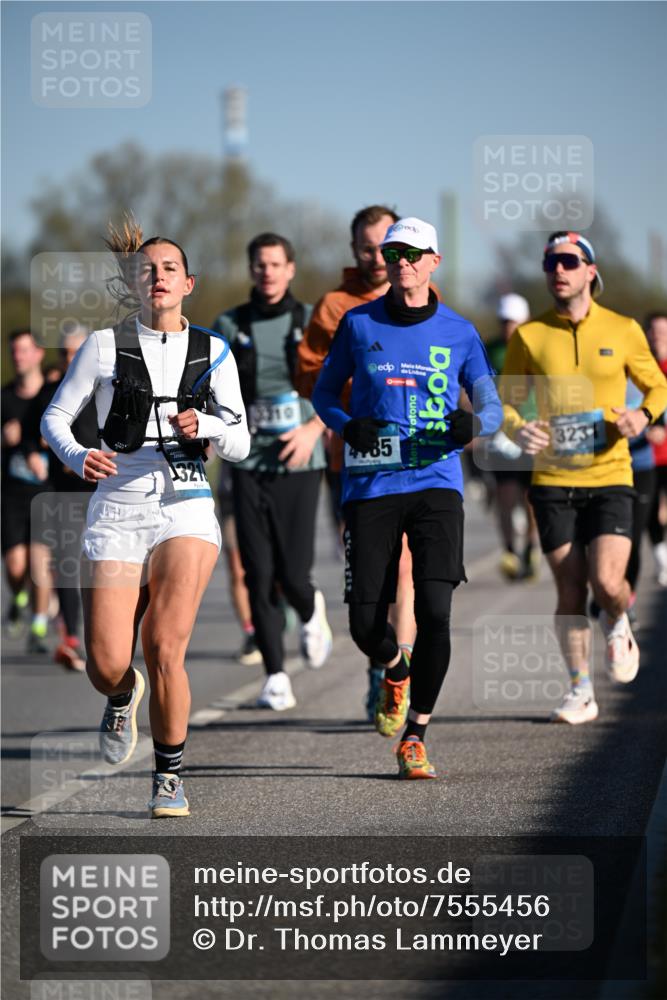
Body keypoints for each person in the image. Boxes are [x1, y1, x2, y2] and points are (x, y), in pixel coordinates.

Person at [41, 221, 250, 817]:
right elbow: (56, 417)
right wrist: (78, 454)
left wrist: (205, 425)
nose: (157, 277)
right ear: (133, 282)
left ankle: (168, 777)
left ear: (188, 282)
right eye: (146, 269)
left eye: (168, 269)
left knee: (164, 643)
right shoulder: (104, 347)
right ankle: (123, 694)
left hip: (186, 502)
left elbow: (239, 440)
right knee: (106, 661)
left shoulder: (214, 351)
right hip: (118, 501)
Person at [313, 217, 502, 779]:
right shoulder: (356, 323)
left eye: (415, 253)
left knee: (436, 611)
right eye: (394, 252)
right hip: (371, 483)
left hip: (436, 483)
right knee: (364, 625)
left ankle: (416, 733)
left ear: (433, 262)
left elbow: (490, 406)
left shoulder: (460, 331)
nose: (403, 262)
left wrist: (473, 425)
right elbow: (324, 394)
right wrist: (348, 426)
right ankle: (396, 668)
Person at [499, 231, 667, 725]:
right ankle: (580, 691)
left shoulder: (623, 329)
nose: (558, 270)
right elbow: (506, 399)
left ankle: (617, 617)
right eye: (551, 261)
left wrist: (645, 417)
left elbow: (656, 385)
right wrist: (518, 427)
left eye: (569, 261)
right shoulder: (530, 335)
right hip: (552, 479)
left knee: (607, 580)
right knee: (570, 589)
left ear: (590, 271)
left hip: (612, 473)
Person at [295, 205, 418, 720]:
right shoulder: (335, 307)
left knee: (407, 567)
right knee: (371, 570)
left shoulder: (422, 297)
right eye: (366, 247)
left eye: (384, 245)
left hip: (412, 455)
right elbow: (309, 377)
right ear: (353, 251)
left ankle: (399, 674)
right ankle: (379, 660)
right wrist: (360, 394)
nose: (376, 256)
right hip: (355, 458)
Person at [212, 232, 332, 712]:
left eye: (275, 264)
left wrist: (312, 430)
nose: (267, 272)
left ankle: (310, 610)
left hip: (302, 459)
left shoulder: (310, 322)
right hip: (246, 459)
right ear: (251, 270)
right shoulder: (229, 323)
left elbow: (339, 385)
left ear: (290, 269)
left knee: (293, 573)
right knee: (255, 572)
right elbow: (209, 388)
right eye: (259, 264)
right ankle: (276, 675)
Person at [24, 323, 99, 671]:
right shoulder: (50, 393)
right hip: (63, 494)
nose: (71, 360)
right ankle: (72, 638)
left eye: (77, 353)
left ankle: (107, 637)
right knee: (68, 566)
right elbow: (30, 434)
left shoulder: (105, 392)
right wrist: (35, 454)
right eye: (65, 354)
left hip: (103, 492)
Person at [1, 329, 53, 652]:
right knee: (16, 567)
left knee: (40, 564)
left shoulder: (52, 396)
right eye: (14, 351)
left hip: (47, 493)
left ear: (38, 354)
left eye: (24, 351)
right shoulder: (4, 397)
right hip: (12, 494)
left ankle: (38, 628)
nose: (18, 357)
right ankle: (19, 596)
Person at [483, 294, 540, 581]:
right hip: (499, 434)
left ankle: (530, 548)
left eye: (514, 322)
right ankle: (509, 551)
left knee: (530, 498)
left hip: (531, 430)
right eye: (504, 322)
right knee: (505, 496)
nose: (509, 328)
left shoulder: (535, 346)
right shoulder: (490, 349)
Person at [644, 311, 667, 585]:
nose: (657, 336)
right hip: (648, 455)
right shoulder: (639, 367)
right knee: (651, 511)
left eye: (663, 330)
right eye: (653, 330)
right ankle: (662, 561)